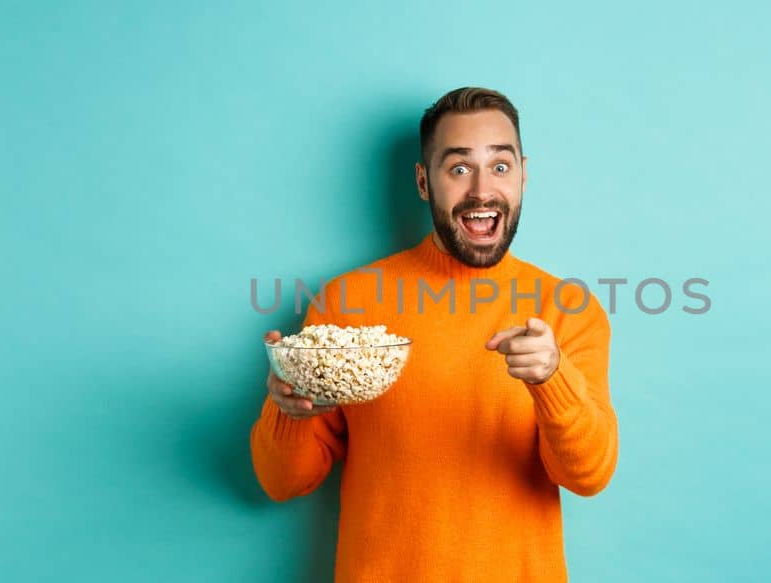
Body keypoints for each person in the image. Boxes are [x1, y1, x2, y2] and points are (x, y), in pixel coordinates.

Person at [250, 87, 618, 582]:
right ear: (425, 182)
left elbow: (588, 475)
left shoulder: (567, 309)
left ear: (524, 176)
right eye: (459, 168)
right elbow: (282, 483)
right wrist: (288, 406)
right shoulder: (347, 303)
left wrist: (552, 378)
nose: (483, 191)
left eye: (501, 167)